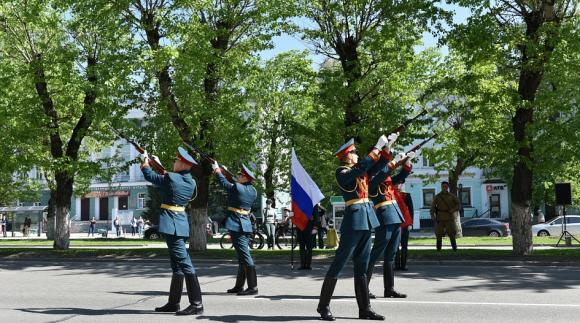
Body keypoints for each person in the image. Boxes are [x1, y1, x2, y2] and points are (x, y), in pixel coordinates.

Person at [316, 135, 390, 321]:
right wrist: (376, 147)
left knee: (362, 267)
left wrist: (387, 149)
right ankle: (323, 306)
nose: (357, 155)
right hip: (354, 222)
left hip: (366, 219)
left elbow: (378, 167)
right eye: (354, 152)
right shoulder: (342, 173)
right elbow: (363, 166)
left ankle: (365, 309)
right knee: (338, 264)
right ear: (347, 157)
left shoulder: (358, 170)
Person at [141, 147, 203, 315]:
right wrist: (158, 165)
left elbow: (150, 176)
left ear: (182, 163)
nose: (174, 162)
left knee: (184, 264)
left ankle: (196, 304)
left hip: (172, 224)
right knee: (177, 266)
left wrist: (145, 161)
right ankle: (173, 303)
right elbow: (168, 186)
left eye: (176, 160)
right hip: (180, 223)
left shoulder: (172, 178)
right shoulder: (190, 182)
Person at [367, 145, 414, 299]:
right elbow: (383, 173)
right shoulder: (370, 178)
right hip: (385, 218)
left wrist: (407, 163)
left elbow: (399, 178)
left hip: (395, 218)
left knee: (391, 256)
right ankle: (364, 288)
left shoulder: (385, 180)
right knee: (375, 254)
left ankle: (389, 289)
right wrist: (394, 161)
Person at [212, 160, 258, 296]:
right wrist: (226, 172)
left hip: (236, 224)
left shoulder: (237, 187)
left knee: (245, 256)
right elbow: (236, 185)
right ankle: (239, 286)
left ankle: (253, 287)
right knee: (241, 257)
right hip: (245, 224)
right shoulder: (253, 190)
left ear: (245, 178)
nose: (237, 176)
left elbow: (227, 184)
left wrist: (217, 171)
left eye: (240, 175)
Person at [430, 181, 460, 251]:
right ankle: (438, 248)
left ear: (448, 187)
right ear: (441, 187)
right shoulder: (437, 197)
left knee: (452, 233)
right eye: (443, 187)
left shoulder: (452, 196)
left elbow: (458, 204)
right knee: (439, 234)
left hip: (449, 217)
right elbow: (433, 207)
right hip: (440, 218)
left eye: (446, 187)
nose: (444, 188)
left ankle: (454, 248)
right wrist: (433, 216)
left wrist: (453, 210)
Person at [394, 180, 413, 271]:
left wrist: (410, 223)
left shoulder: (406, 195)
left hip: (405, 223)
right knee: (395, 245)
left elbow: (411, 210)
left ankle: (404, 265)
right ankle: (397, 264)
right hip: (395, 223)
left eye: (399, 183)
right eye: (396, 183)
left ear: (402, 185)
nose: (398, 185)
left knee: (404, 245)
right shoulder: (391, 195)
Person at [297, 203, 319, 270]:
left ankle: (308, 265)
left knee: (309, 246)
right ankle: (302, 264)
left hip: (309, 226)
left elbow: (316, 216)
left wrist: (315, 227)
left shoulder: (313, 203)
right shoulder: (299, 201)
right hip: (300, 226)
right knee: (302, 246)